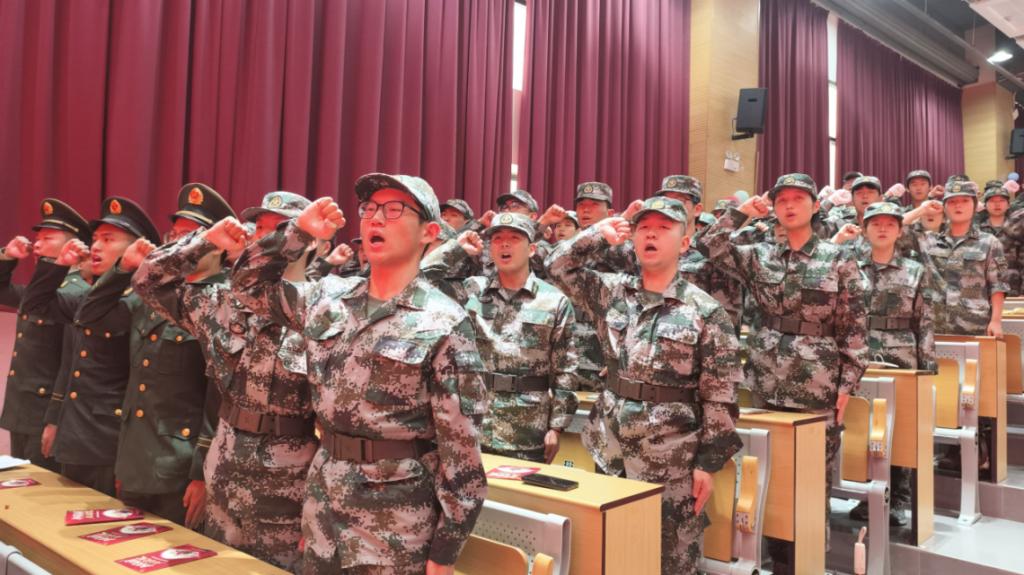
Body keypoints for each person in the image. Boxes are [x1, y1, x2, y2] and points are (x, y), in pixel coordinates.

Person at [228, 173, 487, 575]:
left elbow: (462, 451)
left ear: (429, 233)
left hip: (395, 524)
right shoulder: (327, 299)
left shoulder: (444, 322)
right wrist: (297, 233)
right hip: (323, 504)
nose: (375, 219)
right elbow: (246, 285)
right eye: (369, 209)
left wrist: (446, 549)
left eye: (395, 209)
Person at [547, 196, 743, 574]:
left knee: (670, 559)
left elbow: (720, 395)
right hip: (611, 449)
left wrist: (708, 464)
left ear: (684, 243)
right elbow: (557, 266)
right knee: (613, 556)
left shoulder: (705, 311)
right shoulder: (611, 292)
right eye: (643, 228)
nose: (651, 234)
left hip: (671, 458)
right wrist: (597, 235)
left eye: (663, 228)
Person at [133, 191, 318, 572]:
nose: (266, 238)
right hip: (225, 465)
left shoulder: (328, 308)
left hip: (290, 482)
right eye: (260, 228)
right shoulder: (219, 303)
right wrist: (204, 242)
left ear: (310, 240)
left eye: (281, 229)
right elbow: (146, 281)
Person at [698, 173, 869, 574]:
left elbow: (855, 326)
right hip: (766, 378)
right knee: (769, 474)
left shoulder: (838, 258)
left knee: (812, 478)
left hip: (818, 381)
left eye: (798, 199)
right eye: (782, 200)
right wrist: (741, 213)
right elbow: (709, 245)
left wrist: (847, 384)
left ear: (815, 205)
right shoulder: (759, 255)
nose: (789, 206)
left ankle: (808, 561)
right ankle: (777, 559)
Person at [75, 184, 233, 528]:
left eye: (194, 236)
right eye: (176, 236)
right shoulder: (155, 295)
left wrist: (202, 473)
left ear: (219, 244)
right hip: (138, 460)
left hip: (181, 467)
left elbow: (218, 397)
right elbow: (90, 317)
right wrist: (122, 269)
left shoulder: (226, 302)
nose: (182, 245)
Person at [23, 197, 161, 497]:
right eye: (95, 239)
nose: (95, 246)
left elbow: (90, 315)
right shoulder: (93, 295)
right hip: (77, 435)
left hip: (111, 442)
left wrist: (123, 270)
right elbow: (35, 305)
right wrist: (57, 265)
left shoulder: (140, 301)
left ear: (137, 248)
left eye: (108, 240)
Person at [422, 212, 578, 463]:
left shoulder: (554, 301)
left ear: (532, 249)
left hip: (527, 429)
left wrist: (557, 426)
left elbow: (565, 368)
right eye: (497, 239)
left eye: (514, 238)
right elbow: (418, 282)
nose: (504, 244)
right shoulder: (472, 290)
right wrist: (455, 250)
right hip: (470, 424)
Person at [837, 201, 936, 525]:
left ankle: (898, 498)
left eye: (890, 224)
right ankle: (867, 494)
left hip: (901, 354)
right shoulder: (849, 266)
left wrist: (927, 368)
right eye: (875, 223)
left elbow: (925, 321)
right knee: (863, 427)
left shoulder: (915, 269)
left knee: (899, 428)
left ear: (900, 230)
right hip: (859, 353)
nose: (882, 229)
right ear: (864, 230)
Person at [0, 199, 92, 472]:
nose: (36, 245)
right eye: (37, 238)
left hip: (45, 412)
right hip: (23, 408)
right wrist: (7, 257)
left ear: (71, 245)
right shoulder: (40, 291)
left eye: (47, 238)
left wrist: (55, 418)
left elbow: (69, 363)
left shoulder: (75, 292)